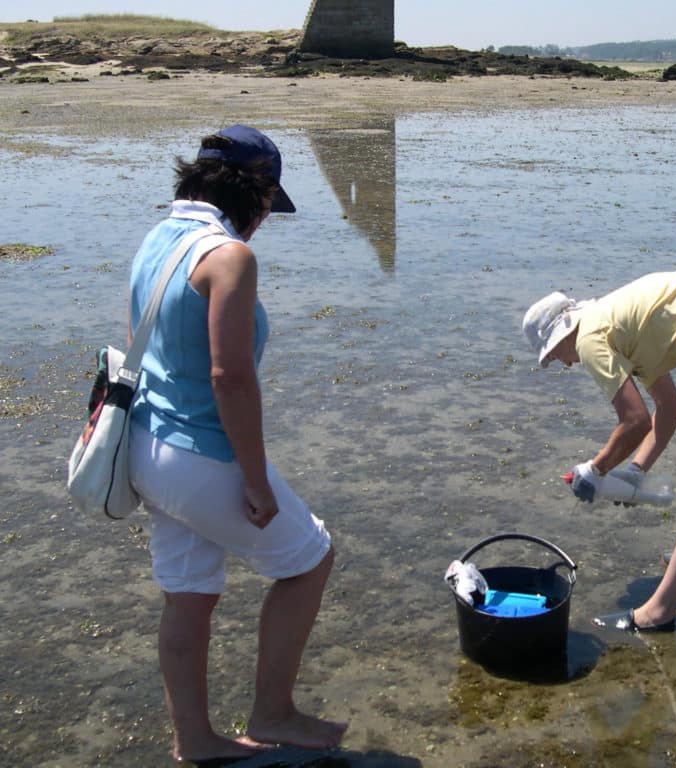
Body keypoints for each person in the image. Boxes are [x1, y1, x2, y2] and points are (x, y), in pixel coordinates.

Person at [126, 125, 348, 764]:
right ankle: (274, 713)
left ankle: (194, 739)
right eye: (267, 208)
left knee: (189, 593)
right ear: (252, 193)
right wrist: (253, 479)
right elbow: (230, 377)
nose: (263, 224)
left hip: (147, 444)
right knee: (308, 559)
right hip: (199, 453)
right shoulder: (229, 258)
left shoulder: (158, 239)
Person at [522, 267, 676, 632]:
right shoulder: (619, 328)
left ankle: (658, 611)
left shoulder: (589, 339)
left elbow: (634, 422)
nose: (563, 364)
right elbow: (668, 409)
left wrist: (594, 469)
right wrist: (635, 472)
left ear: (562, 335)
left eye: (554, 355)